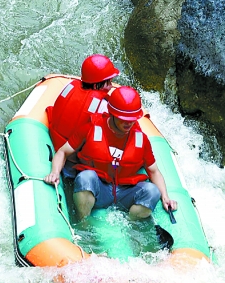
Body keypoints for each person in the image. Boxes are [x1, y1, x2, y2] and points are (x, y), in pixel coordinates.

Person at [44, 86, 178, 222]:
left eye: (132, 119)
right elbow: (62, 152)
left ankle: (130, 227)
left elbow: (154, 172)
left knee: (152, 191)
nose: (128, 123)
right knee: (85, 177)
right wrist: (55, 172)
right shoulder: (90, 128)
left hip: (126, 192)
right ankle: (83, 223)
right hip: (98, 189)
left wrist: (165, 197)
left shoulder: (141, 139)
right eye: (123, 118)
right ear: (112, 113)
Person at [47, 54, 120, 155]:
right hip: (73, 152)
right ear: (96, 85)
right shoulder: (102, 105)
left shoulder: (71, 86)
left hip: (54, 136)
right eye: (108, 83)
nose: (111, 86)